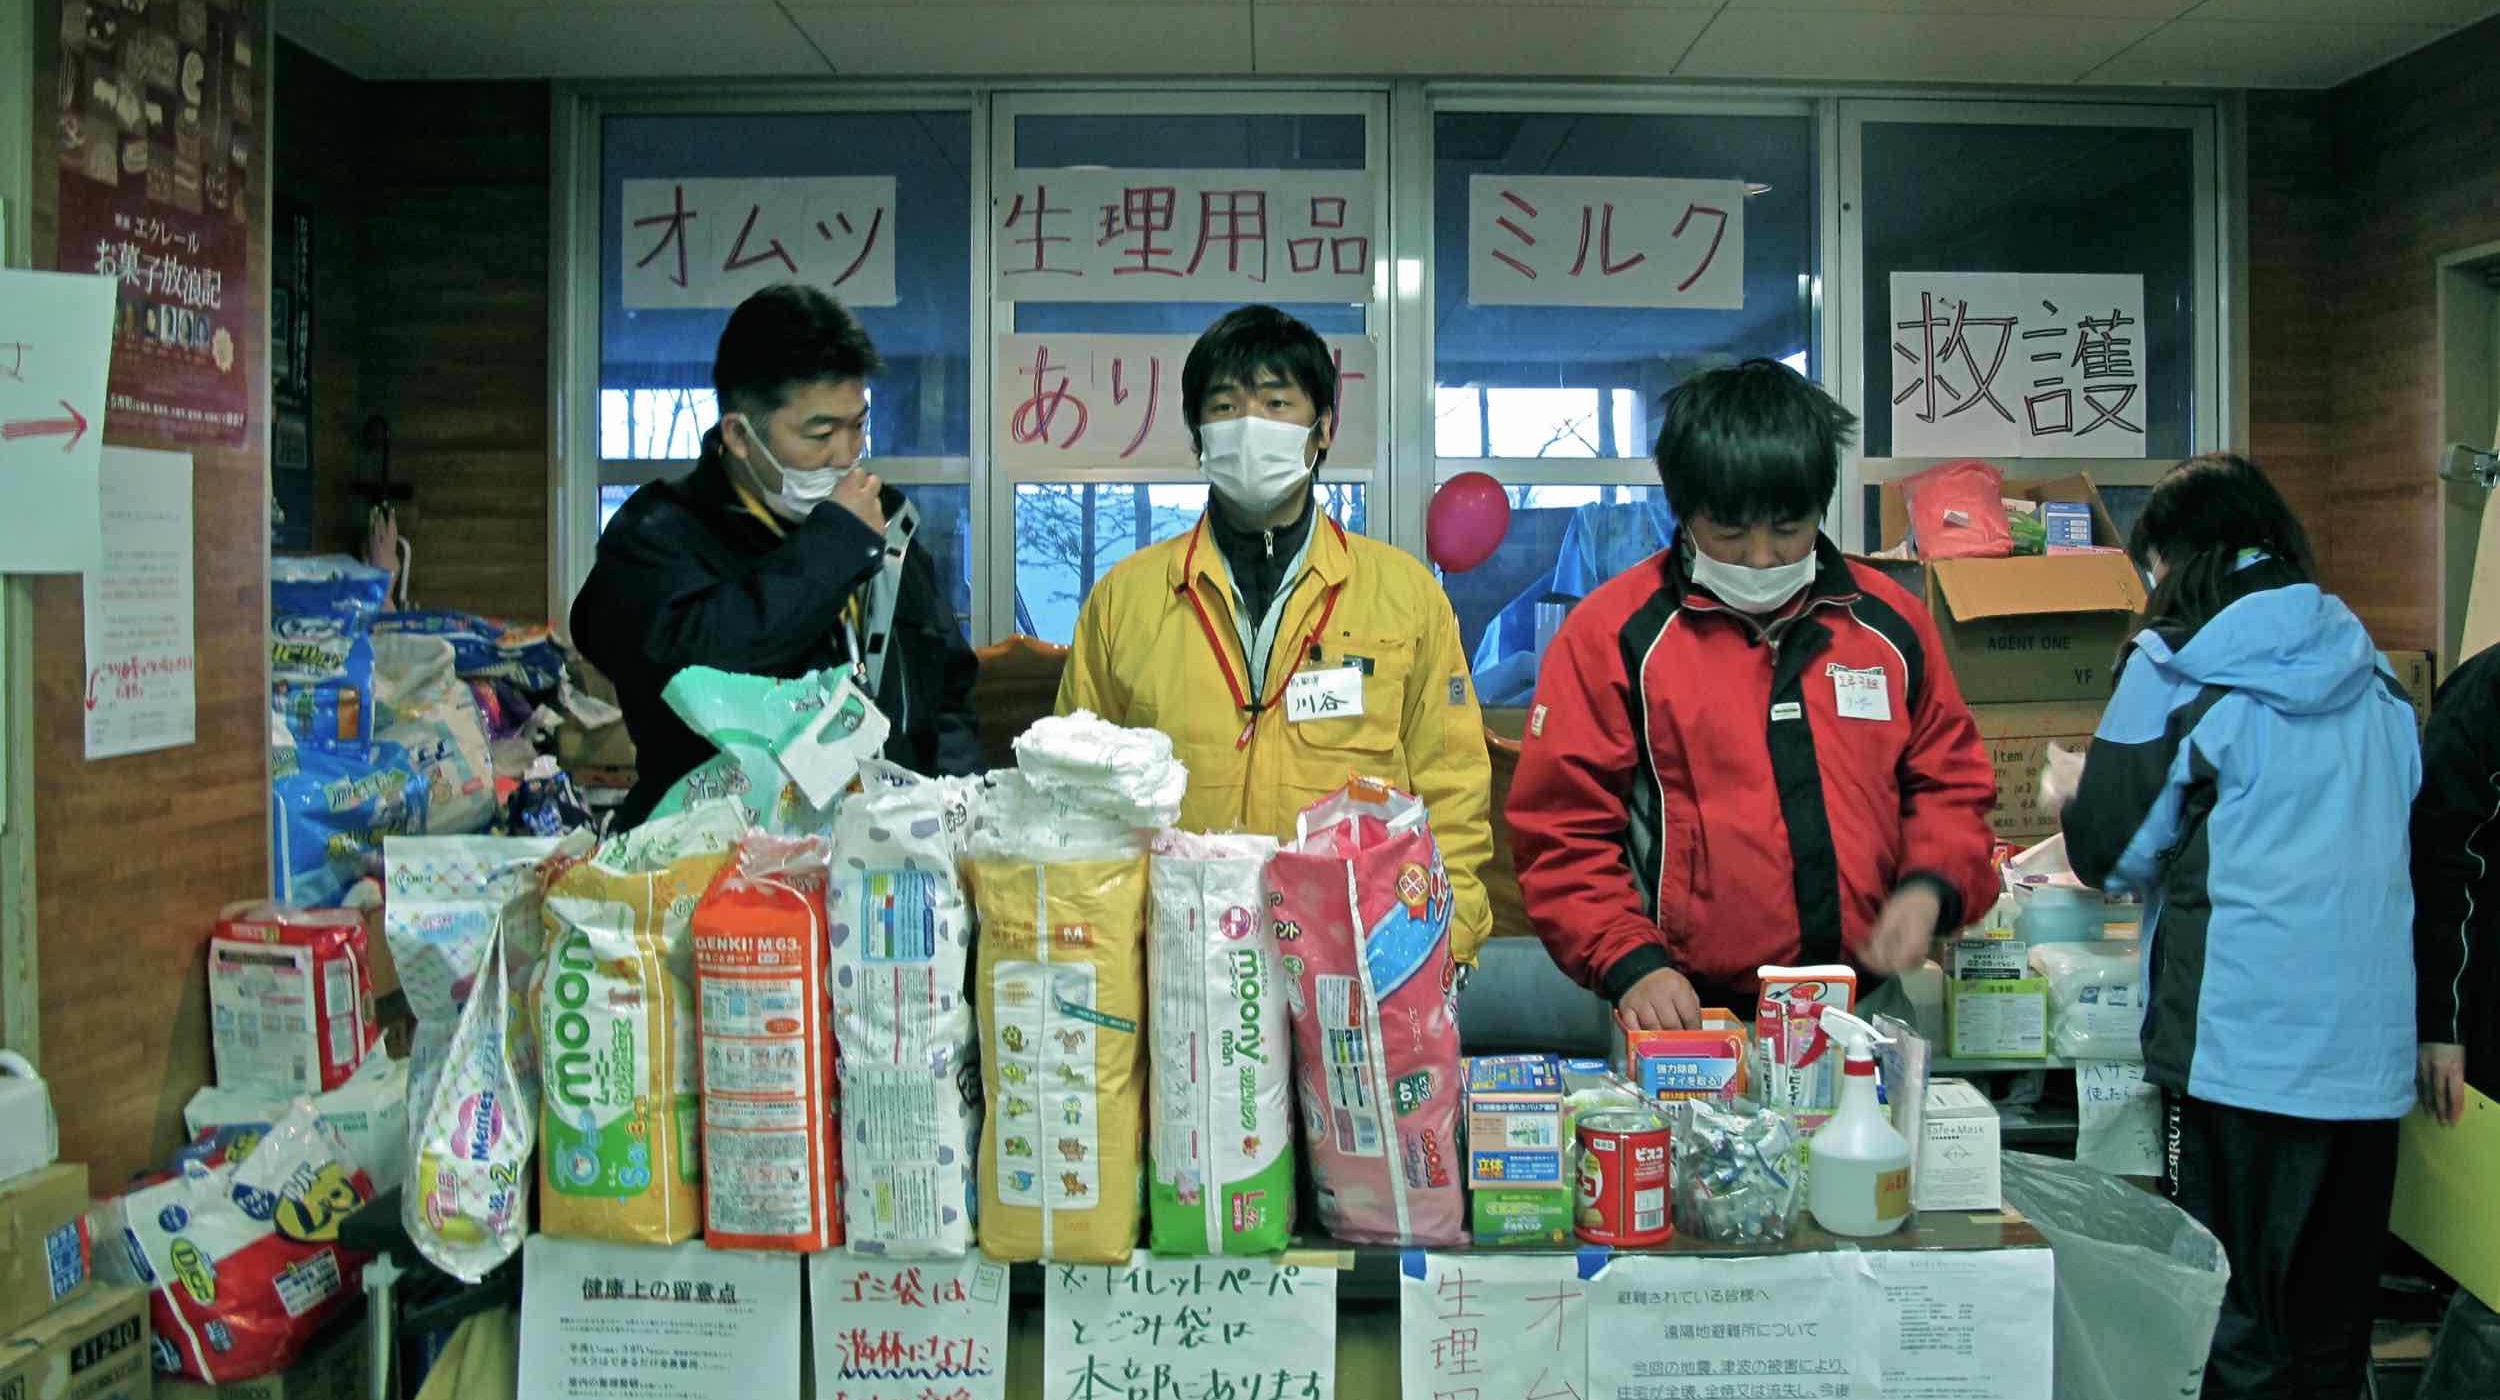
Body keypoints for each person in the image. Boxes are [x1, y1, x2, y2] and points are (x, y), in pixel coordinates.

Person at [2056, 454, 2418, 1400]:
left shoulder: (2174, 672)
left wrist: (2079, 796)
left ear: (2171, 566)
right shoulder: (2375, 679)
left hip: (2240, 1057)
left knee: (2235, 1334)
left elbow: (2107, 851)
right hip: (2367, 1064)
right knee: (2322, 1328)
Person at [1507, 358, 1997, 1024]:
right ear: (1682, 514)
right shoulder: (1615, 636)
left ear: (1819, 507)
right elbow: (1562, 829)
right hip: (1685, 1014)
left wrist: (1929, 885)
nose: (1762, 557)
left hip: (1866, 1004)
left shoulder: (1888, 625)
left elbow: (1950, 783)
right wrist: (1628, 959)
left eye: (1787, 529)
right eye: (1731, 533)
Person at [1056, 303, 1494, 966]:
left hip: (1358, 955)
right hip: (1179, 957)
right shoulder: (1126, 599)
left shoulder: (1404, 596)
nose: (1249, 427)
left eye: (1277, 403)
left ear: (1323, 431)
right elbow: (1076, 789)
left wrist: (1448, 944)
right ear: (1197, 434)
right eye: (1225, 406)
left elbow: (1452, 786)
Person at [573, 282, 980, 827]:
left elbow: (946, 692)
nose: (845, 455)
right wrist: (834, 546)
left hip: (880, 859)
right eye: (819, 433)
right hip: (715, 868)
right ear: (741, 436)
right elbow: (695, 660)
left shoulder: (884, 525)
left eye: (858, 425)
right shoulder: (657, 535)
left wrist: (950, 807)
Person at [2397, 640, 2500, 1400]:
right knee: (2498, 1260)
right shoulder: (2493, 689)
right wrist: (2444, 1018)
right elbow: (2443, 860)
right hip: (2489, 1009)